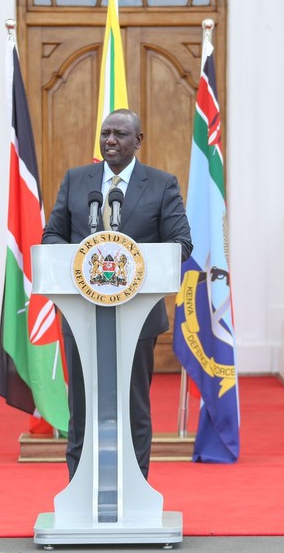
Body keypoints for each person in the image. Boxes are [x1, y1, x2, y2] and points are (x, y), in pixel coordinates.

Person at [43, 109, 193, 479]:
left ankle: (136, 484)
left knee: (133, 405)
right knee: (81, 405)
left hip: (137, 317)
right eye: (105, 133)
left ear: (138, 141)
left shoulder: (161, 184)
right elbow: (52, 237)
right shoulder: (78, 181)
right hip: (81, 314)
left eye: (120, 134)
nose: (110, 140)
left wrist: (130, 262)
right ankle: (78, 487)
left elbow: (181, 245)